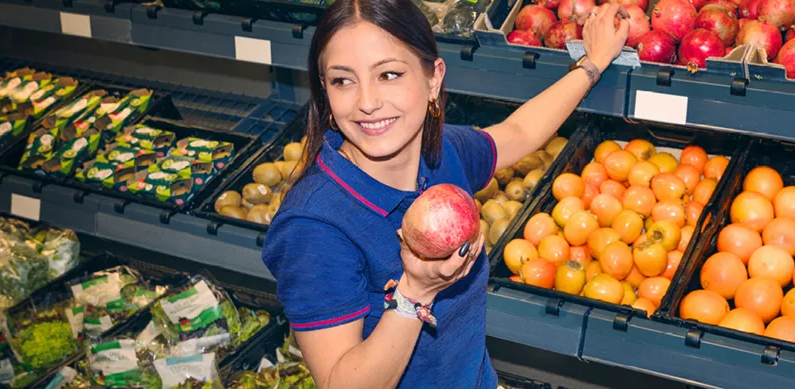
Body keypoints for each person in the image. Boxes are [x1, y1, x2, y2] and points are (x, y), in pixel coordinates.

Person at [260, 0, 629, 387]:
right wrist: (414, 293)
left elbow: (520, 132)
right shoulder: (315, 225)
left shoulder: (439, 152)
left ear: (433, 78)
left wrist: (594, 63)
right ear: (325, 92)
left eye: (388, 74)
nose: (367, 102)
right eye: (343, 80)